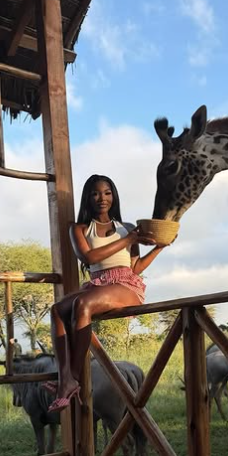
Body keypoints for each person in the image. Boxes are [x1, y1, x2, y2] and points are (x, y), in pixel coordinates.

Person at [45, 174, 169, 413]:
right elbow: (89, 258)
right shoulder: (79, 229)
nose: (102, 198)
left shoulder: (128, 228)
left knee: (82, 304)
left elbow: (135, 267)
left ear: (113, 196)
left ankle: (73, 379)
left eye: (107, 192)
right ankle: (65, 378)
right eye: (95, 193)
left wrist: (158, 248)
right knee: (57, 310)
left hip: (126, 286)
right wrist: (129, 240)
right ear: (88, 198)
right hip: (98, 285)